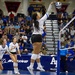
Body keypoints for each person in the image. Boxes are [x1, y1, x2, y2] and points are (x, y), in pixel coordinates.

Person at [27, 1, 55, 75]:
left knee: (37, 52)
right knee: (36, 53)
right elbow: (48, 13)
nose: (40, 14)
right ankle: (31, 66)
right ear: (37, 16)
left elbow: (40, 28)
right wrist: (50, 4)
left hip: (33, 37)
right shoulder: (41, 20)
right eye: (38, 14)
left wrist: (43, 28)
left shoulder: (35, 22)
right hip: (38, 37)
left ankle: (39, 66)